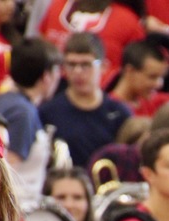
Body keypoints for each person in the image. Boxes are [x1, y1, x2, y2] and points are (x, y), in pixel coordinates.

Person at [0, 37, 63, 210]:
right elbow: (6, 170)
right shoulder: (23, 113)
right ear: (46, 77)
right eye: (57, 71)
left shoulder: (0, 101)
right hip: (17, 211)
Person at [39, 32, 132, 168]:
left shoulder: (119, 113)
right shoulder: (48, 112)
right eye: (71, 64)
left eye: (86, 65)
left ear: (103, 67)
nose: (77, 71)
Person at [36, 0, 146, 85]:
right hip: (50, 91)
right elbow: (40, 48)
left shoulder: (128, 21)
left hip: (103, 96)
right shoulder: (57, 6)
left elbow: (138, 69)